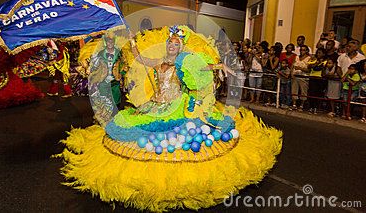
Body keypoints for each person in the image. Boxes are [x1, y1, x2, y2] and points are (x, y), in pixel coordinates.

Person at [57, 25, 283, 211]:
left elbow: (203, 67)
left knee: (176, 137)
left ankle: (176, 182)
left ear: (181, 46)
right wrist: (132, 43)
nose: (172, 45)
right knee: (131, 129)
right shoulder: (158, 62)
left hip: (176, 106)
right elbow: (141, 59)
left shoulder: (184, 62)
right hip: (155, 105)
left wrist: (221, 65)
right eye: (170, 43)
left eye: (176, 44)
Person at [307, 48, 327, 114]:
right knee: (311, 93)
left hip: (320, 79)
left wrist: (317, 64)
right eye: (317, 53)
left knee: (318, 94)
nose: (318, 54)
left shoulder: (325, 61)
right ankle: (311, 107)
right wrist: (316, 63)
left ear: (323, 54)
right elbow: (309, 66)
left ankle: (316, 107)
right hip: (312, 78)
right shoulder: (314, 60)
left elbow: (320, 68)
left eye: (320, 53)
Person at [291, 45, 311, 110]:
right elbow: (293, 65)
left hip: (303, 77)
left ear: (307, 51)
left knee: (303, 91)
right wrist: (291, 73)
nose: (302, 51)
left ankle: (302, 105)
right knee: (294, 90)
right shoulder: (297, 57)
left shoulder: (309, 58)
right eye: (301, 50)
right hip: (295, 76)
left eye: (303, 50)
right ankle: (294, 104)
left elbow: (309, 70)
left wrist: (300, 68)